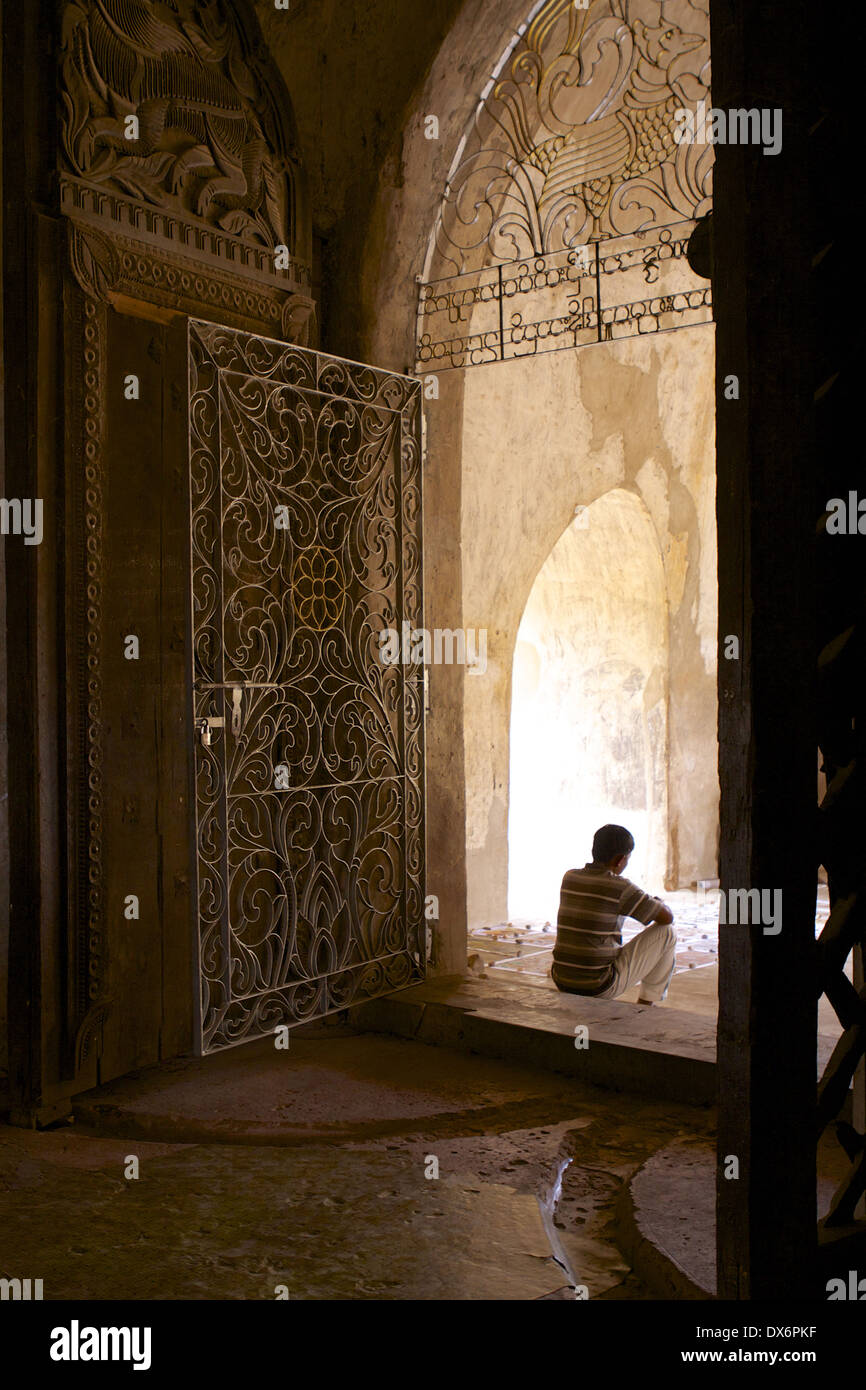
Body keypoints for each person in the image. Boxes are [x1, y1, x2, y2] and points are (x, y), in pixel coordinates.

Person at [551, 824, 676, 1005]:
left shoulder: (569, 877)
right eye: (627, 859)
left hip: (562, 980)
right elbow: (666, 918)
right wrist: (658, 903)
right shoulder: (620, 887)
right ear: (619, 860)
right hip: (596, 987)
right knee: (668, 933)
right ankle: (646, 1006)